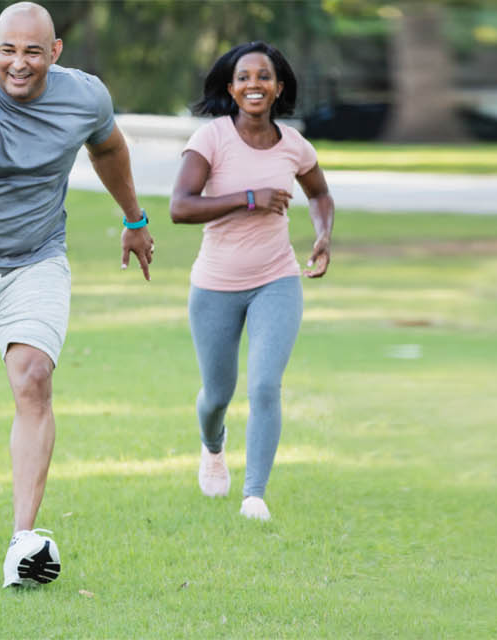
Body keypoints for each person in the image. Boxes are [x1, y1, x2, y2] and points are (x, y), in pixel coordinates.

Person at [0, 1, 155, 589]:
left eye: (33, 51)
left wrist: (134, 218)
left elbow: (109, 148)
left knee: (33, 377)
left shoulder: (85, 97)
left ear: (55, 52)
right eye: (8, 49)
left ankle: (24, 541)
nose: (19, 63)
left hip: (37, 258)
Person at [167, 41, 335, 521]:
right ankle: (212, 446)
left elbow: (320, 194)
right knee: (217, 394)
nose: (254, 85)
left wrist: (323, 234)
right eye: (244, 77)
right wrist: (248, 197)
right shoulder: (212, 139)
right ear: (231, 88)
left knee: (264, 386)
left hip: (276, 280)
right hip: (215, 285)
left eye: (264, 76)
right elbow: (180, 207)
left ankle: (254, 495)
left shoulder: (295, 145)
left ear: (279, 87)